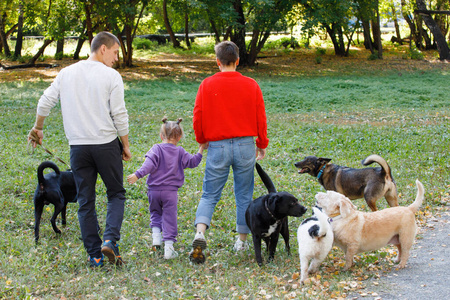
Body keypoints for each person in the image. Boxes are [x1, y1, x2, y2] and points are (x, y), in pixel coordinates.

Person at [27, 31, 131, 268]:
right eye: (115, 52)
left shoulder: (67, 73)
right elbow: (120, 115)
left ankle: (94, 256)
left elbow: (44, 101)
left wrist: (38, 128)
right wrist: (125, 144)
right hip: (106, 145)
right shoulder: (111, 76)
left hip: (78, 148)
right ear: (102, 49)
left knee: (85, 200)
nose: (116, 58)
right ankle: (110, 240)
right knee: (115, 193)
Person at [190, 40, 269, 264]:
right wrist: (261, 143)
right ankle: (241, 242)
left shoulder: (206, 85)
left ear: (218, 62)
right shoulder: (251, 84)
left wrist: (202, 140)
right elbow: (260, 116)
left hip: (218, 146)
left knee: (209, 194)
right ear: (237, 61)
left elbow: (198, 116)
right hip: (245, 145)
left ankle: (200, 233)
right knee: (244, 195)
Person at [127, 117, 207, 259]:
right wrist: (201, 149)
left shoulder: (156, 149)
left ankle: (156, 239)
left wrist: (137, 175)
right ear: (180, 136)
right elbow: (193, 162)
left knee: (155, 212)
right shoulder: (180, 152)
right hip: (170, 192)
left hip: (153, 190)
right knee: (169, 217)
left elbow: (148, 165)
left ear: (161, 135)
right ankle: (169, 248)